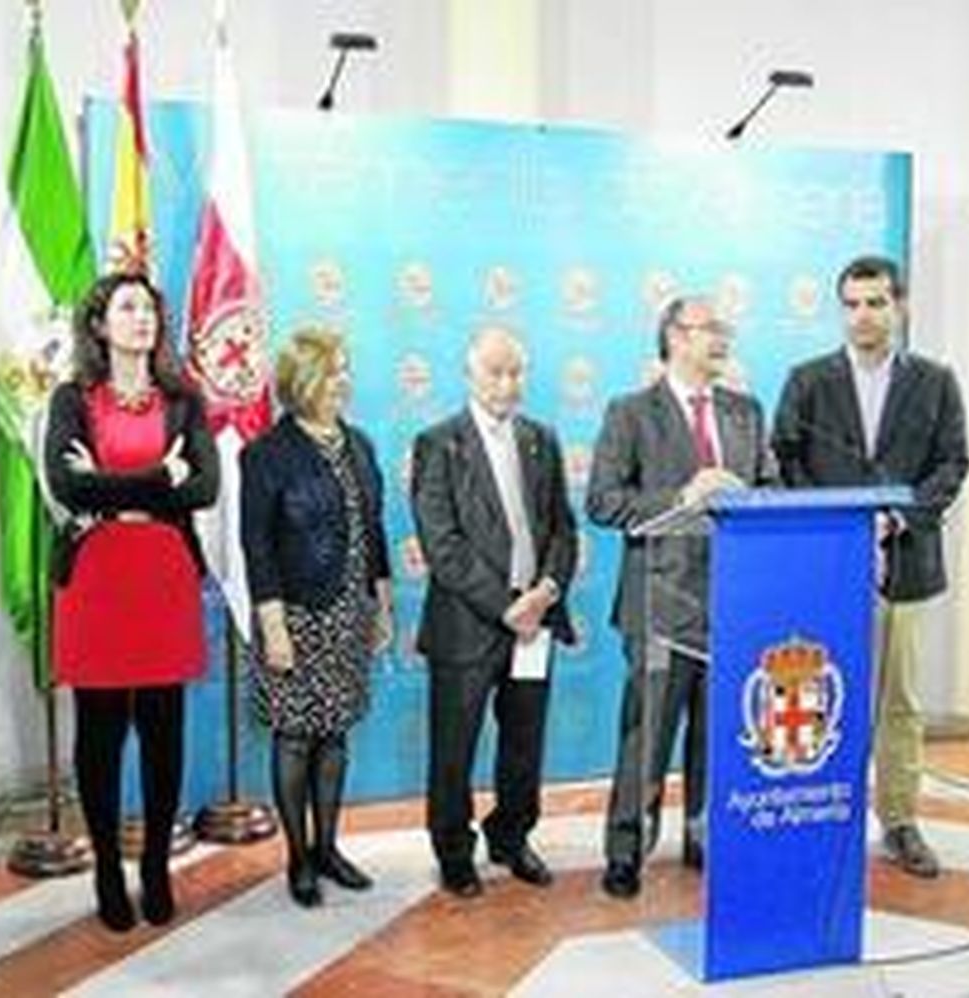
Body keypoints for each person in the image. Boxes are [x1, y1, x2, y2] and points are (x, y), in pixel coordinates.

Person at [772, 255, 969, 879]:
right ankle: (817, 813)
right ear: (842, 309)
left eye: (876, 302)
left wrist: (895, 517)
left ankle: (901, 820)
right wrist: (840, 524)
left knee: (900, 703)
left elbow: (952, 465)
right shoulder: (807, 380)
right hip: (828, 568)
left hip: (906, 565)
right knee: (819, 696)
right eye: (853, 303)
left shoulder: (936, 381)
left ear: (899, 306)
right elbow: (785, 459)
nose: (864, 315)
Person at [43, 271, 220, 931]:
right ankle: (109, 870)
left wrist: (111, 483)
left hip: (163, 575)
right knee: (101, 732)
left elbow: (203, 489)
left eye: (148, 308)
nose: (140, 317)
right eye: (126, 307)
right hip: (96, 580)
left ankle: (153, 868)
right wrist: (156, 479)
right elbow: (67, 486)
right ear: (99, 323)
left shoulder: (184, 400)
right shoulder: (72, 398)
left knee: (162, 730)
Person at [586, 296, 775, 899]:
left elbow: (771, 489)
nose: (722, 339)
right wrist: (684, 494)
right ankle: (626, 851)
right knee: (646, 739)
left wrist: (746, 494)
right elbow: (604, 501)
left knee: (716, 737)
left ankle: (704, 839)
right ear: (673, 336)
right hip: (659, 606)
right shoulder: (632, 412)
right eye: (709, 329)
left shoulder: (746, 412)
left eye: (725, 328)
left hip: (732, 603)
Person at [409, 325, 578, 898]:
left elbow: (562, 527)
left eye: (516, 372)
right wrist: (508, 607)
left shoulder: (542, 439)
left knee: (524, 742)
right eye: (495, 372)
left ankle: (511, 836)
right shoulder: (440, 443)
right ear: (470, 375)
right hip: (469, 626)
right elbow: (442, 544)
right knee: (454, 747)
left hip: (535, 623)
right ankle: (454, 850)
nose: (507, 383)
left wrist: (547, 590)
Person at [240, 328, 393, 908]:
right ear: (303, 381)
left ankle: (329, 847)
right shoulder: (267, 454)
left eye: (346, 369)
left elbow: (373, 528)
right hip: (297, 615)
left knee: (335, 734)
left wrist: (381, 602)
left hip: (349, 612)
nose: (343, 381)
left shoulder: (359, 445)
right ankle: (299, 858)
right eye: (332, 372)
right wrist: (273, 626)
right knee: (296, 738)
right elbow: (257, 545)